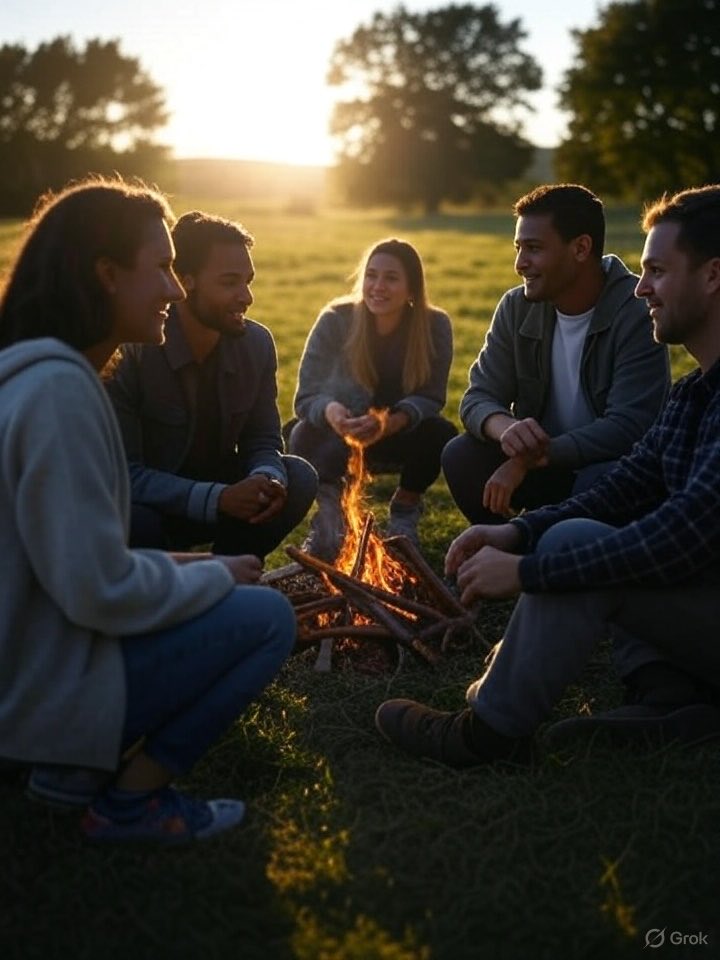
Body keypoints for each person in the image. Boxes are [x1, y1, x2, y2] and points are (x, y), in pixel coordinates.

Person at [375, 184, 720, 767]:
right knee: (570, 528)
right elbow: (629, 487)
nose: (642, 289)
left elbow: (683, 534)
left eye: (658, 270)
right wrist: (519, 534)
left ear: (713, 276)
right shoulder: (695, 395)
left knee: (582, 547)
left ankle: (485, 736)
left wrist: (531, 569)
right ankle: (677, 709)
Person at [0, 177, 296, 842]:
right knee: (269, 616)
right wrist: (213, 575)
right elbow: (97, 591)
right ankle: (113, 798)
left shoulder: (29, 374)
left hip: (27, 659)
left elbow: (64, 561)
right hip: (35, 690)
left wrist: (189, 564)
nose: (172, 289)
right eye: (161, 268)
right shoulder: (59, 395)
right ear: (106, 275)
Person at [442, 183, 670, 525]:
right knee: (462, 455)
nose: (520, 264)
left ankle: (539, 557)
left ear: (580, 248)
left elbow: (629, 427)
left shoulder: (636, 309)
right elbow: (478, 398)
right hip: (543, 468)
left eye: (533, 248)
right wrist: (505, 429)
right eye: (518, 248)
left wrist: (529, 459)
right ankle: (500, 551)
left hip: (606, 470)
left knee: (606, 478)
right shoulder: (515, 307)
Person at [104, 210, 317, 560]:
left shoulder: (257, 343)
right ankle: (166, 589)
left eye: (248, 281)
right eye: (229, 282)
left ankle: (231, 570)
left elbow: (262, 439)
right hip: (154, 507)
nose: (246, 296)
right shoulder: (133, 350)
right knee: (132, 518)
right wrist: (217, 498)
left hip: (225, 498)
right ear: (185, 281)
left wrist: (266, 479)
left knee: (298, 476)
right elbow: (123, 474)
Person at [288, 237, 457, 559]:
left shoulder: (434, 325)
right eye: (371, 275)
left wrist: (392, 422)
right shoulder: (336, 319)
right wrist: (332, 411)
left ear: (411, 288)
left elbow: (432, 396)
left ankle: (405, 513)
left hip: (397, 436)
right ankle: (330, 517)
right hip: (342, 434)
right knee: (301, 431)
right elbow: (307, 395)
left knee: (441, 433)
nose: (377, 286)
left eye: (391, 278)